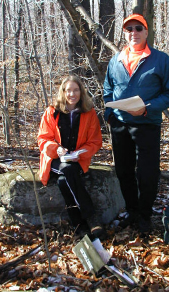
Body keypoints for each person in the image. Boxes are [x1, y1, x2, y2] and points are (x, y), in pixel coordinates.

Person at [103, 14, 169, 235]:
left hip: (147, 124)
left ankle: (145, 215)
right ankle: (132, 212)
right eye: (129, 29)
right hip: (120, 125)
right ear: (125, 34)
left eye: (138, 28)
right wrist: (109, 114)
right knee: (123, 171)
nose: (134, 33)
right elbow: (108, 90)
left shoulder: (161, 60)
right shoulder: (115, 60)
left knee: (147, 174)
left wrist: (147, 107)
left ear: (146, 32)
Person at [38, 76, 105, 238]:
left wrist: (80, 154)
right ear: (63, 92)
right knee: (67, 170)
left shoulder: (89, 113)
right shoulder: (52, 112)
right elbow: (43, 139)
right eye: (68, 90)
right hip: (54, 159)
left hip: (76, 159)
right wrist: (57, 149)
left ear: (81, 92)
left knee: (64, 180)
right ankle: (92, 217)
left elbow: (95, 141)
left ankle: (79, 226)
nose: (72, 94)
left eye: (76, 90)